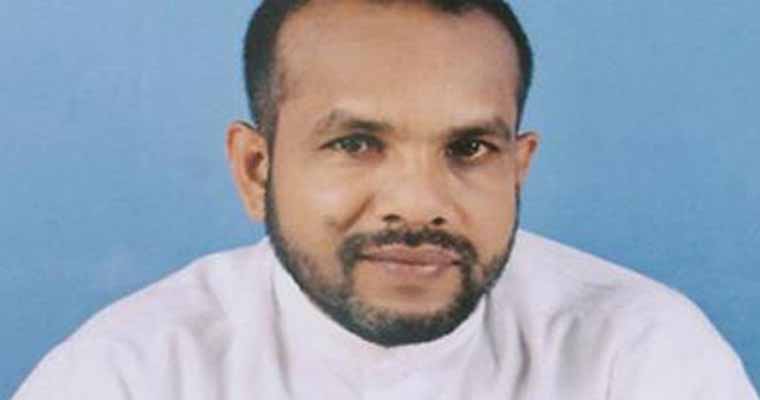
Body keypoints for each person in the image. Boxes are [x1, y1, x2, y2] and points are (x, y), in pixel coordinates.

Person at [13, 0, 758, 399]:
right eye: (356, 143)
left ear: (518, 168)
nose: (419, 203)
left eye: (469, 149)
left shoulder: (637, 353)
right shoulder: (131, 375)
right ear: (255, 169)